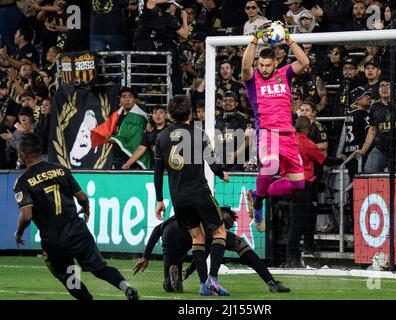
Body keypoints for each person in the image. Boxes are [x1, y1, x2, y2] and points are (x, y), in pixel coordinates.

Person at [12, 132, 139, 300]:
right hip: (78, 232)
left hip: (55, 241)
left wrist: (19, 232)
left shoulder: (22, 181)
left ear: (23, 155)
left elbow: (26, 215)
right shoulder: (61, 170)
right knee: (99, 268)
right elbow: (82, 197)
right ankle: (127, 288)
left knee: (68, 276)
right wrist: (86, 208)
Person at [153, 94, 231, 296]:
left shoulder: (160, 137)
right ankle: (212, 278)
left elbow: (157, 172)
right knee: (219, 232)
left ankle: (204, 284)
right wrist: (221, 173)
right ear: (190, 113)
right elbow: (212, 162)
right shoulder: (199, 134)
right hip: (199, 193)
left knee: (197, 237)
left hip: (178, 197)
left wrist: (160, 200)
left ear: (170, 115)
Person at [242, 21, 309, 232]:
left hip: (288, 135)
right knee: (270, 167)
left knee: (299, 184)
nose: (263, 68)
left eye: (267, 65)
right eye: (260, 64)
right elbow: (245, 66)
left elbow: (304, 61)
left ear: (275, 64)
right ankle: (259, 203)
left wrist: (288, 38)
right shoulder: (253, 81)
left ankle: (257, 195)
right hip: (267, 133)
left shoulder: (285, 74)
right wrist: (255, 39)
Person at [132, 207, 290, 293]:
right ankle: (272, 283)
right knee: (239, 243)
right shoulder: (213, 223)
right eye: (226, 224)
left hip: (170, 233)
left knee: (172, 287)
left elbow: (156, 230)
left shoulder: (196, 207)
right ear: (220, 216)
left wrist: (145, 256)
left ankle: (172, 280)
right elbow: (205, 252)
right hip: (195, 232)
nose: (226, 228)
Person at [288, 116, 343, 264]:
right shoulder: (307, 143)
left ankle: (293, 256)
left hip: (290, 183)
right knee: (304, 221)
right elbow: (324, 160)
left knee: (296, 221)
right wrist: (341, 159)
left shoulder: (288, 141)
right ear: (307, 128)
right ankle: (297, 255)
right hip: (305, 185)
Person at [122, 105, 169, 170]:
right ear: (152, 116)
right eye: (155, 113)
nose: (158, 116)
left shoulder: (171, 130)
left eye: (161, 113)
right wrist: (128, 163)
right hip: (155, 167)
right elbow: (141, 149)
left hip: (170, 167)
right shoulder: (149, 132)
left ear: (166, 115)